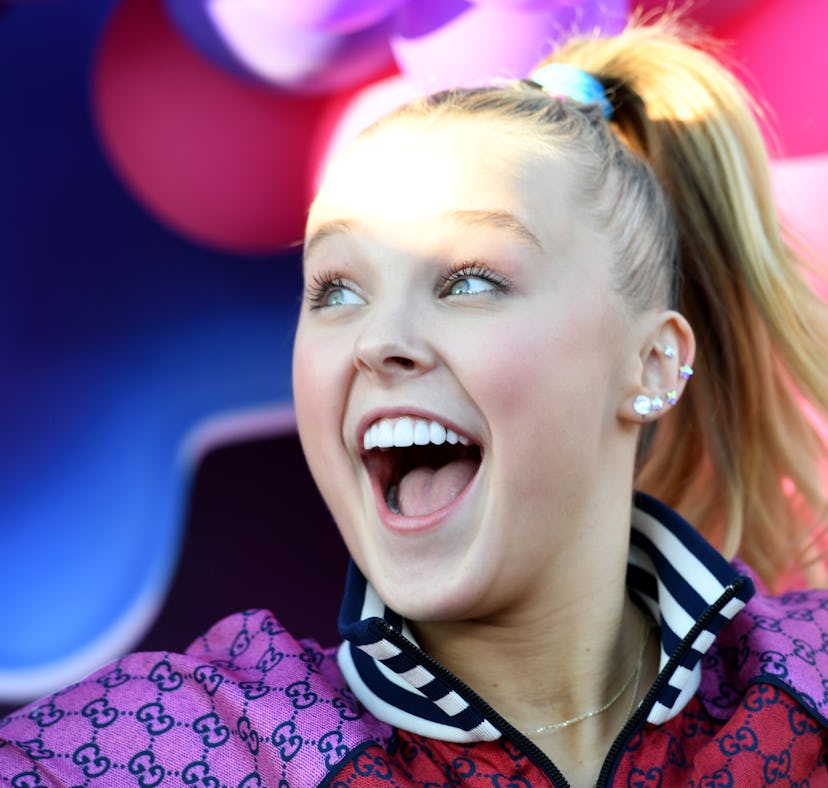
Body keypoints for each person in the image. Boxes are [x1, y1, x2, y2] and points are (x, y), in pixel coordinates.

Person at [2, 16, 828, 788]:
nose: (374, 340)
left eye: (470, 279)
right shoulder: (175, 743)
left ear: (652, 365)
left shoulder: (808, 685)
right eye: (334, 289)